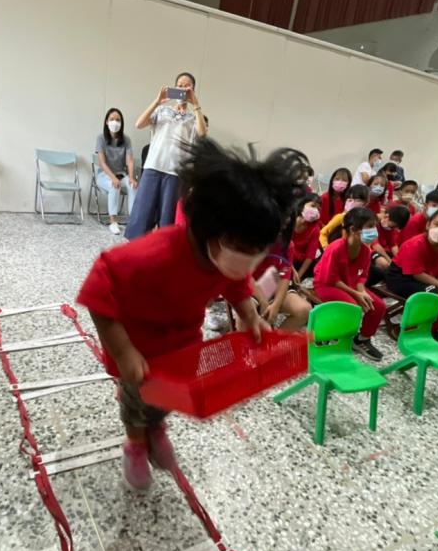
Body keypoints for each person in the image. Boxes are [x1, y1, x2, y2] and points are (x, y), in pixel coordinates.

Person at [76, 140, 301, 490]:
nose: (251, 260)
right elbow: (98, 289)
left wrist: (250, 315)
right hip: (139, 350)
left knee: (167, 397)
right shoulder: (153, 255)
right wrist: (124, 351)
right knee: (137, 401)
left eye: (259, 251)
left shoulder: (224, 254)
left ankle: (156, 427)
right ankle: (135, 443)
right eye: (245, 250)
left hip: (183, 346)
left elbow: (235, 280)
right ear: (210, 228)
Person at [124, 72, 207, 240]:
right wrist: (157, 101)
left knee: (167, 218)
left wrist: (196, 104)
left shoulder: (193, 117)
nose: (182, 88)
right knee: (141, 215)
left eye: (187, 86)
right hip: (153, 167)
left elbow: (202, 134)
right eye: (180, 85)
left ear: (192, 90)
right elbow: (139, 124)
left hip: (176, 173)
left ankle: (161, 251)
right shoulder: (162, 110)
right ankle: (136, 250)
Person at [386, 205, 438, 341]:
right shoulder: (415, 244)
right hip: (401, 278)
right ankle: (407, 329)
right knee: (436, 295)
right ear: (428, 224)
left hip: (427, 279)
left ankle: (433, 328)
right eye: (437, 224)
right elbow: (417, 274)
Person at [312, 207, 385, 360]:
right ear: (353, 229)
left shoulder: (365, 250)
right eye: (369, 226)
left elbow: (362, 275)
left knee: (378, 306)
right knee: (352, 306)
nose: (374, 231)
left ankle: (362, 340)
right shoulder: (336, 248)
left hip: (349, 284)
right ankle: (331, 336)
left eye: (374, 226)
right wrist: (356, 294)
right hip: (326, 285)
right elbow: (330, 279)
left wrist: (361, 291)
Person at [94, 108, 137, 235]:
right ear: (106, 122)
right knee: (115, 185)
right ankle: (113, 222)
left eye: (118, 120)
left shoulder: (126, 140)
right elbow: (102, 162)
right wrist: (113, 178)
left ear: (121, 123)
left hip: (121, 174)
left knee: (133, 186)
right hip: (104, 175)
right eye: (112, 119)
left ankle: (133, 221)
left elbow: (129, 160)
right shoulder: (101, 138)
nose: (115, 122)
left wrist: (131, 177)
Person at [369, 204, 410, 285]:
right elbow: (375, 245)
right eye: (393, 226)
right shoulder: (372, 221)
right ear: (386, 216)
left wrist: (399, 260)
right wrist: (389, 260)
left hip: (382, 250)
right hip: (369, 248)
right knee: (384, 263)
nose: (393, 228)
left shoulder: (390, 227)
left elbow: (393, 245)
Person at [319, 184, 370, 248]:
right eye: (350, 199)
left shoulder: (365, 221)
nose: (352, 202)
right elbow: (323, 233)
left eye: (357, 200)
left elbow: (366, 243)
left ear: (365, 203)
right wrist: (326, 247)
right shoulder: (341, 217)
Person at [290, 195, 322, 280]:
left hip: (300, 263)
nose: (315, 210)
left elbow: (310, 256)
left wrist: (298, 276)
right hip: (285, 259)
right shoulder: (290, 221)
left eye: (318, 208)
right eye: (313, 206)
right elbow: (283, 248)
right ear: (303, 205)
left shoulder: (315, 229)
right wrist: (293, 271)